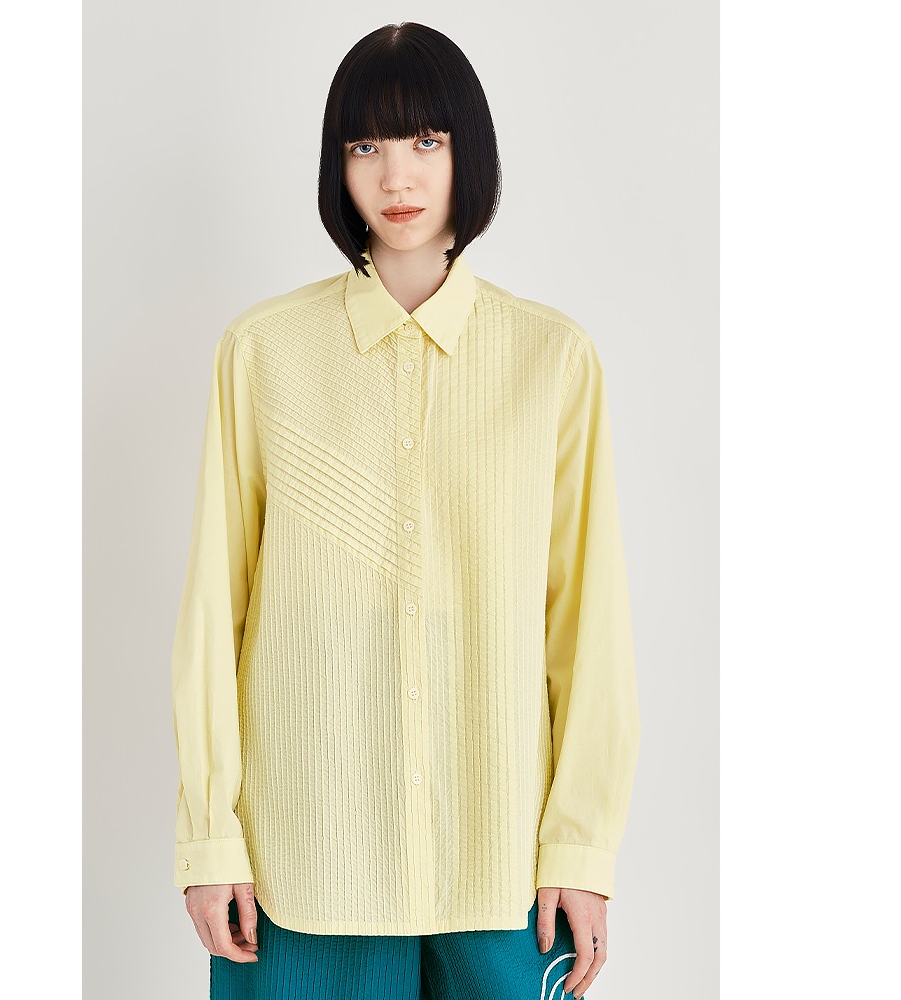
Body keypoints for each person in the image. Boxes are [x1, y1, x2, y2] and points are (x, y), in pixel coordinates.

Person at [170, 21, 641, 1000]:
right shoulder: (262, 354)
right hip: (305, 869)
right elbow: (217, 608)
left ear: (471, 152)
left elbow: (585, 621)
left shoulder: (552, 360)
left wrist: (582, 844)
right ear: (336, 164)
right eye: (365, 144)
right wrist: (210, 834)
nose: (396, 175)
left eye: (427, 139)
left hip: (503, 869)